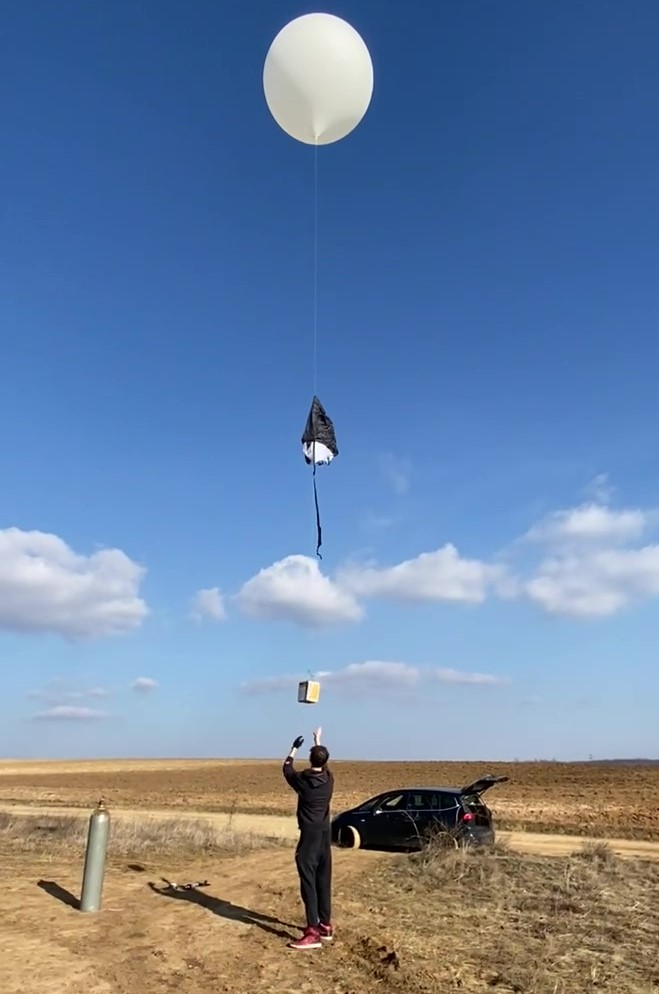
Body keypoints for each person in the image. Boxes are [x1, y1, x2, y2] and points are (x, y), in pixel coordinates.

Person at [282, 726, 334, 950]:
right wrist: (318, 741)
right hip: (325, 834)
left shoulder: (303, 781)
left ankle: (312, 931)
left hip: (309, 835)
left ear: (310, 758)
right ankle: (325, 925)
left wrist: (293, 749)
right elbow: (322, 763)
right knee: (323, 879)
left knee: (308, 882)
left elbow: (286, 769)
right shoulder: (329, 779)